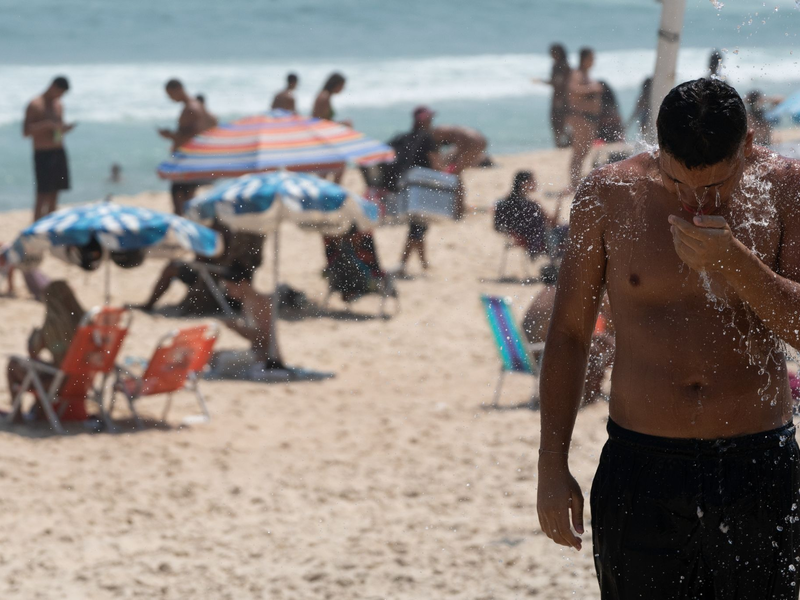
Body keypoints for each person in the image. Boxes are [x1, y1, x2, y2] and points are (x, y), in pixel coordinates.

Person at [537, 77, 800, 598]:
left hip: (757, 462)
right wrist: (551, 464)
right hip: (642, 464)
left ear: (747, 146)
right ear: (658, 148)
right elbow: (569, 334)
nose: (694, 200)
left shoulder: (786, 186)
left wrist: (734, 263)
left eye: (715, 187)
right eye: (678, 182)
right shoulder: (609, 194)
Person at [521, 264, 613, 405]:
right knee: (595, 350)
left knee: (597, 344)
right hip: (540, 355)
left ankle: (592, 393)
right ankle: (589, 396)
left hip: (523, 354)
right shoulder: (563, 296)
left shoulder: (547, 293)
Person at [7, 280, 88, 421]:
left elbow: (33, 352)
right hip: (83, 381)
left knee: (13, 365)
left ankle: (17, 416)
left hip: (60, 382)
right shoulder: (86, 322)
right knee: (46, 369)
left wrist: (35, 338)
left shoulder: (53, 324)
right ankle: (40, 413)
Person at [388, 106, 443, 274]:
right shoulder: (428, 139)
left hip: (405, 186)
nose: (432, 122)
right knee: (418, 227)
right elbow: (435, 164)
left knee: (418, 226)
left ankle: (423, 263)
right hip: (423, 187)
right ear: (424, 121)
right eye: (430, 119)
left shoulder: (405, 137)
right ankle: (403, 264)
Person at [158, 79, 218, 215]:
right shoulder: (199, 107)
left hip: (188, 164)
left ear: (178, 89)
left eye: (170, 94)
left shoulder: (191, 109)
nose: (170, 98)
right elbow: (211, 125)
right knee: (188, 204)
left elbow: (192, 136)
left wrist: (170, 136)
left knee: (181, 205)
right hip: (197, 162)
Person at [23, 76, 75, 221]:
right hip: (42, 153)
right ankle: (36, 226)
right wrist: (46, 124)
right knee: (42, 194)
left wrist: (64, 129)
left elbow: (57, 128)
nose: (60, 96)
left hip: (59, 150)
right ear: (53, 86)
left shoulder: (59, 104)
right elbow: (26, 132)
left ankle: (49, 227)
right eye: (60, 92)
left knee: (55, 193)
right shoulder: (35, 104)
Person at [220, 261, 284, 370]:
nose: (229, 294)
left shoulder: (259, 302)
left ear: (242, 283)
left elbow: (265, 339)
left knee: (220, 360)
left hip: (268, 359)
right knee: (214, 356)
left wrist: (237, 328)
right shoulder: (247, 302)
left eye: (229, 288)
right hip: (256, 353)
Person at [494, 171, 563, 258]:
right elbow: (554, 223)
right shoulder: (532, 205)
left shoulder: (504, 203)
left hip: (521, 238)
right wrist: (559, 201)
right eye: (533, 181)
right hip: (540, 242)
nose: (536, 183)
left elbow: (497, 227)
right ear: (524, 184)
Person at [565, 48, 602, 192]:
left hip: (589, 118)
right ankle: (574, 182)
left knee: (585, 150)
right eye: (592, 58)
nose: (593, 61)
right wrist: (592, 88)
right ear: (585, 59)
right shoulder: (577, 74)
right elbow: (573, 89)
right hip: (580, 116)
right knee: (579, 151)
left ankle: (577, 178)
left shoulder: (587, 75)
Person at [535, 44, 571, 148]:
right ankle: (561, 144)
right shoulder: (560, 65)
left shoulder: (562, 66)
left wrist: (542, 81)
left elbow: (559, 83)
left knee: (559, 122)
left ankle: (562, 144)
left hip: (561, 98)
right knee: (559, 123)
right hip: (560, 97)